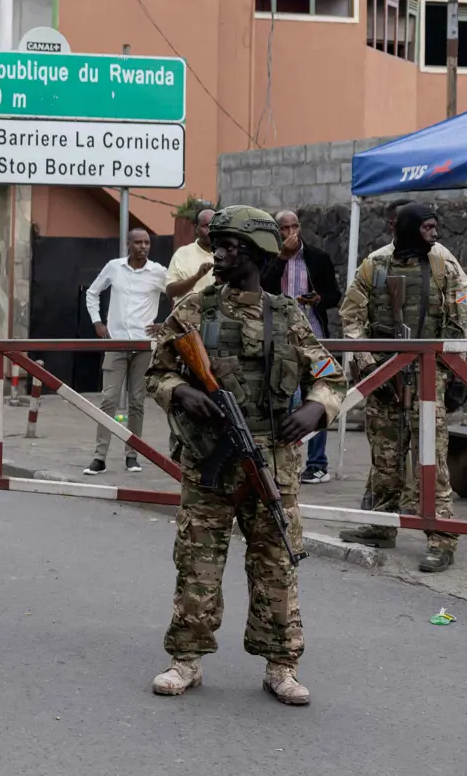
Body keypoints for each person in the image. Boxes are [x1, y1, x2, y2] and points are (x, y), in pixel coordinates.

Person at [146, 206, 343, 706]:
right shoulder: (194, 310)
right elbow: (158, 371)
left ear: (255, 254)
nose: (220, 253)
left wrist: (317, 410)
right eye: (219, 244)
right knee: (197, 562)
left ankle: (282, 665)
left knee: (276, 562)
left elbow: (330, 375)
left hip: (270, 460)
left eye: (231, 247)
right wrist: (180, 394)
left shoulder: (287, 314)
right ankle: (185, 660)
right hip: (210, 457)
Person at [337, 202, 467, 573]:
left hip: (427, 381)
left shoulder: (442, 266)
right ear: (412, 228)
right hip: (383, 379)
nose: (435, 234)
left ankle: (441, 536)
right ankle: (383, 526)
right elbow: (351, 315)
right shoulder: (374, 266)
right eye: (428, 227)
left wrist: (446, 368)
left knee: (433, 462)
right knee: (385, 461)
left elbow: (460, 318)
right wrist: (367, 365)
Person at [258, 210, 343, 484]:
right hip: (279, 338)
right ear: (277, 231)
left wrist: (317, 298)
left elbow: (334, 295)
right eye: (285, 228)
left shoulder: (317, 257)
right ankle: (284, 459)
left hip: (313, 335)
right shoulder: (269, 256)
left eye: (295, 226)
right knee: (284, 397)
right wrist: (282, 257)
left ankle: (317, 463)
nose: (291, 232)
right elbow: (261, 288)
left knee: (318, 396)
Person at [83, 227, 169, 475]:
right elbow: (92, 293)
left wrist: (167, 324)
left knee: (137, 401)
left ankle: (133, 455)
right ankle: (99, 457)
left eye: (147, 243)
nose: (143, 246)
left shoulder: (158, 272)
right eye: (139, 242)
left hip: (143, 344)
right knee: (108, 399)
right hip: (116, 341)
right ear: (128, 245)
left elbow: (178, 295)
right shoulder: (114, 267)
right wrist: (97, 322)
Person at [370, 200, 467, 322]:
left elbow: (463, 291)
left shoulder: (440, 254)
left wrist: (465, 313)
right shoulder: (375, 262)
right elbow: (357, 309)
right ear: (393, 225)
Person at [166, 207, 217, 303]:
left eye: (213, 225)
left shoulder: (229, 254)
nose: (210, 231)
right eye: (205, 226)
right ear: (196, 228)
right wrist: (196, 277)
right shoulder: (182, 254)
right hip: (187, 315)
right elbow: (170, 291)